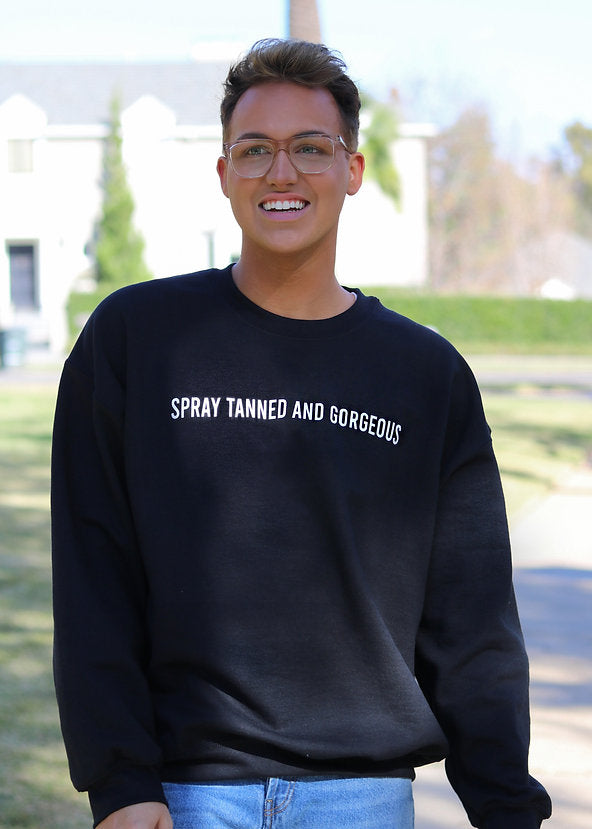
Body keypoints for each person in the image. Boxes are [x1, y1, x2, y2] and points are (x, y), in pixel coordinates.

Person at [51, 38, 552, 829]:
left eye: (310, 149)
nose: (280, 173)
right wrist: (121, 780)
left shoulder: (426, 375)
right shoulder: (134, 341)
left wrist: (506, 806)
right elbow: (92, 571)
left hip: (363, 798)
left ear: (351, 170)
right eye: (254, 151)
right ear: (223, 175)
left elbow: (473, 619)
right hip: (185, 796)